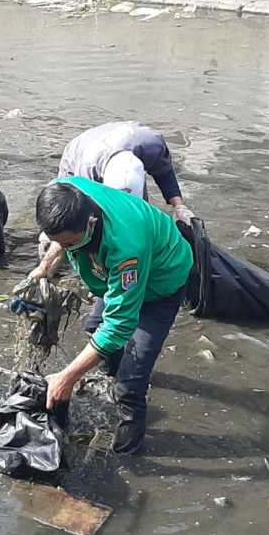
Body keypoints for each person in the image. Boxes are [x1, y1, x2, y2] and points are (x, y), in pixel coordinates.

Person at [29, 177, 193, 454]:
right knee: (95, 326)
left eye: (70, 243)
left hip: (161, 281)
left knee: (130, 384)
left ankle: (127, 452)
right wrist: (44, 268)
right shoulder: (63, 193)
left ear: (91, 222)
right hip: (109, 272)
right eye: (59, 241)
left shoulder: (126, 247)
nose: (64, 248)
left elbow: (118, 326)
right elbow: (61, 239)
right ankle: (114, 374)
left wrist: (66, 377)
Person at [38, 120, 195, 258]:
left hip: (128, 137)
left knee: (136, 220)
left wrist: (180, 206)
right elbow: (75, 212)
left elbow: (164, 172)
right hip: (79, 151)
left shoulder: (152, 145)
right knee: (70, 227)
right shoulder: (85, 177)